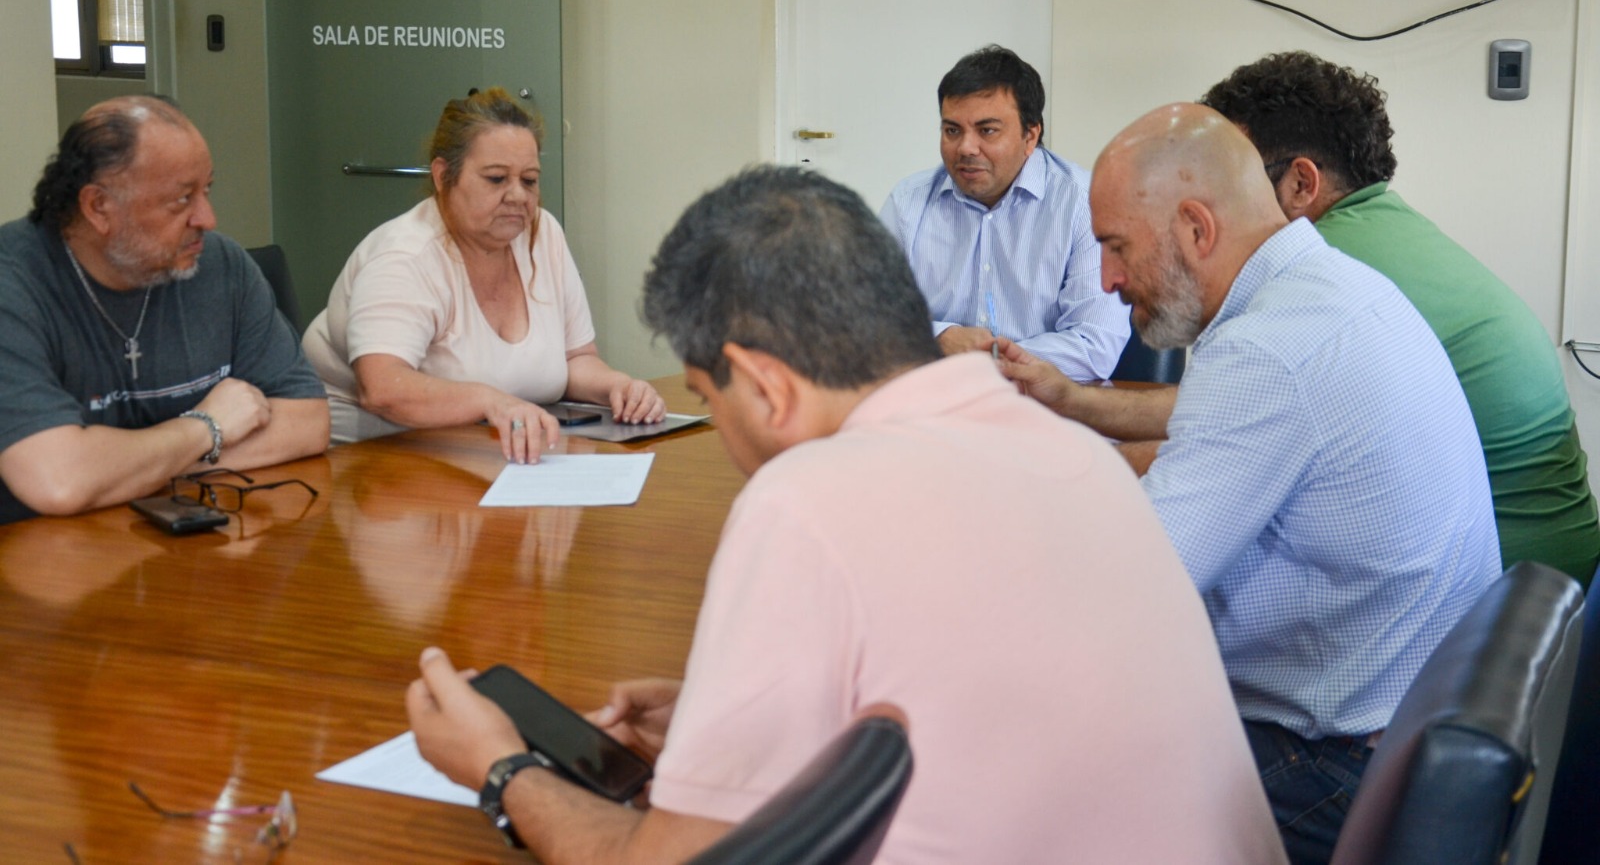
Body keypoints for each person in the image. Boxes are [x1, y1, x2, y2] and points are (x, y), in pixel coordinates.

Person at [405, 166, 1286, 864]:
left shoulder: (805, 502)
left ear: (765, 386)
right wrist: (736, 723)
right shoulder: (1072, 450)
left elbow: (664, 860)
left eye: (710, 398)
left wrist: (500, 766)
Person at [1001, 104, 1501, 865]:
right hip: (1412, 722)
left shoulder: (1268, 349)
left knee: (1018, 765)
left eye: (1115, 246)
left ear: (1196, 229)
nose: (1107, 279)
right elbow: (1199, 457)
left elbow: (1122, 595)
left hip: (1341, 768)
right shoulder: (1334, 288)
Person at [1201, 51, 1600, 587]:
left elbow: (1225, 437)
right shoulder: (1389, 231)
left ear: (1300, 184)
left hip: (1501, 599)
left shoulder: (1320, 270)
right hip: (1552, 584)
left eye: (1227, 179)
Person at [0, 97, 330, 525]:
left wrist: (126, 469)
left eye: (207, 190)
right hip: (37, 553)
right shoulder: (14, 285)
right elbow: (58, 480)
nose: (207, 218)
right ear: (98, 207)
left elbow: (306, 422)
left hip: (188, 541)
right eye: (181, 199)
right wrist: (206, 426)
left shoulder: (222, 265)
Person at [302, 88, 664, 461]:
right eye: (496, 179)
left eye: (529, 180)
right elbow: (382, 389)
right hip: (368, 459)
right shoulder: (405, 256)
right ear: (443, 176)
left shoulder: (543, 234)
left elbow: (575, 360)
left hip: (484, 453)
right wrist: (492, 402)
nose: (518, 196)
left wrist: (619, 388)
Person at [879, 44, 1130, 380]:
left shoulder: (1085, 203)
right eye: (952, 130)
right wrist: (939, 338)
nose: (966, 148)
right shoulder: (908, 203)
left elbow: (1093, 347)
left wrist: (987, 360)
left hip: (1045, 401)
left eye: (987, 131)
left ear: (1030, 135)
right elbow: (863, 317)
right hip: (935, 397)